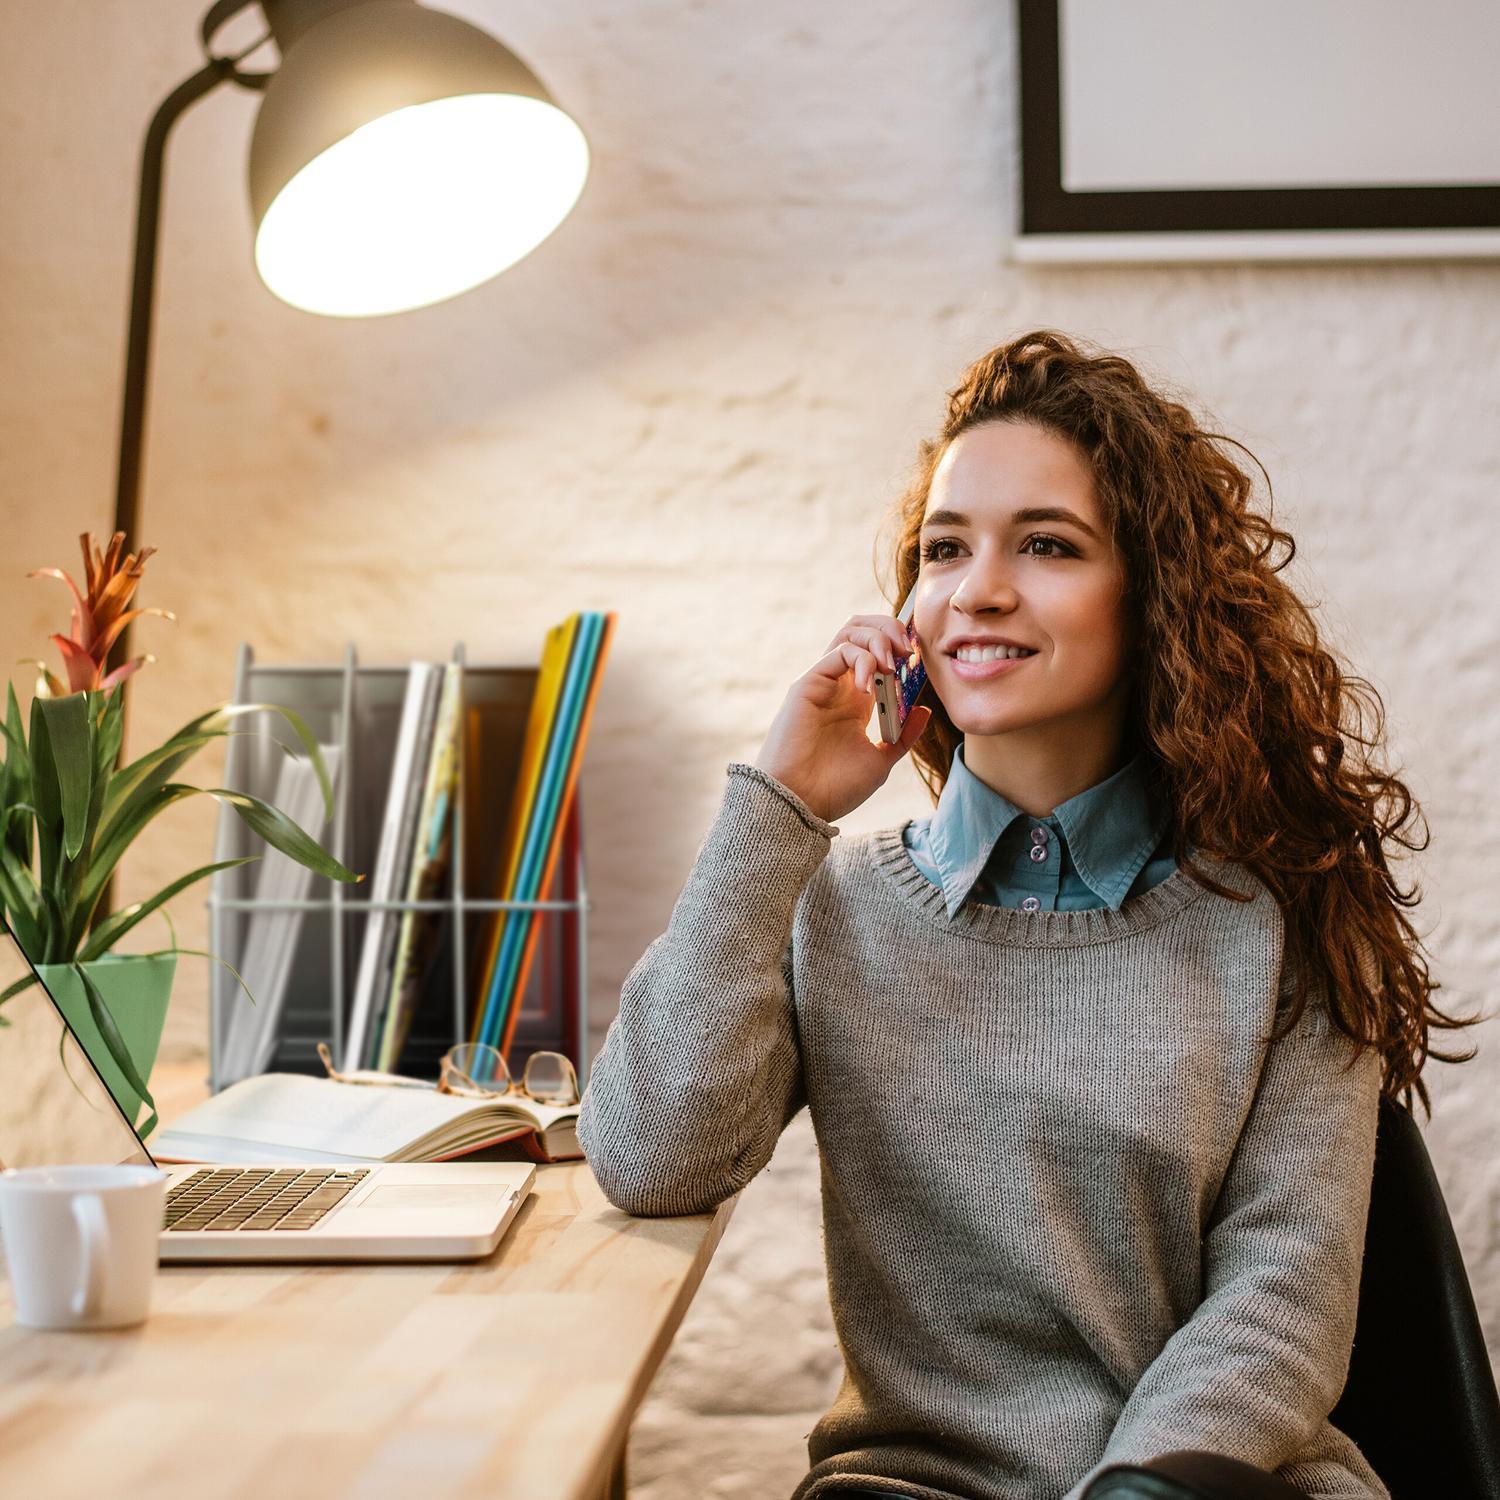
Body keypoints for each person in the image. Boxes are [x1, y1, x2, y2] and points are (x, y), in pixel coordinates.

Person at [577, 329, 1478, 1500]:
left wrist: (1136, 1491)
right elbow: (649, 1158)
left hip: (1208, 1485)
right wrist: (782, 807)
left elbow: (1282, 1300)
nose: (978, 588)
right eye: (943, 549)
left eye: (1046, 544)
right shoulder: (836, 905)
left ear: (1152, 594)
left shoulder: (1279, 921)